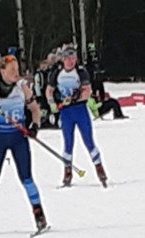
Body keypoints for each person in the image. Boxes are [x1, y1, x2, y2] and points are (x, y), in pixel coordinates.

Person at [0, 55, 46, 235]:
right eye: (12, 69)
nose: (16, 72)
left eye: (17, 68)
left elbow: (35, 110)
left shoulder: (23, 88)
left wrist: (35, 126)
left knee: (27, 177)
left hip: (18, 138)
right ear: (1, 71)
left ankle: (39, 214)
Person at [47, 48, 108, 188]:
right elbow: (49, 90)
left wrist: (76, 98)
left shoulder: (80, 72)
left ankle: (100, 170)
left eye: (73, 58)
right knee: (68, 142)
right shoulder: (57, 72)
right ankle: (67, 173)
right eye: (68, 59)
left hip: (80, 110)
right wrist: (52, 103)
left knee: (89, 141)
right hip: (66, 112)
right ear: (63, 59)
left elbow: (87, 90)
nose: (71, 61)